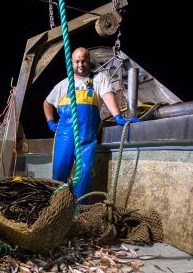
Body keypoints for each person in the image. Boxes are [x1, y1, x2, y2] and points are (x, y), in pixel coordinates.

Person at [43, 46, 139, 203]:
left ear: (89, 61)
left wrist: (117, 116)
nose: (80, 65)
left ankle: (80, 211)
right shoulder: (62, 85)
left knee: (84, 174)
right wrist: (50, 122)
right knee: (59, 175)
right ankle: (56, 207)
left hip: (87, 137)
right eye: (77, 62)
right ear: (71, 63)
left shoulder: (98, 79)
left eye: (84, 61)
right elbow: (46, 103)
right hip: (64, 137)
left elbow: (108, 96)